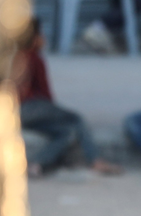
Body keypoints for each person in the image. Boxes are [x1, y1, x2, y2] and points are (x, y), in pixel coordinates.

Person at [12, 18, 121, 175]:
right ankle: (95, 160)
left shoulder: (11, 56)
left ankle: (36, 164)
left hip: (12, 113)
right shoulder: (33, 57)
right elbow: (46, 95)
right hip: (30, 107)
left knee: (66, 132)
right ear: (34, 37)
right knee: (76, 119)